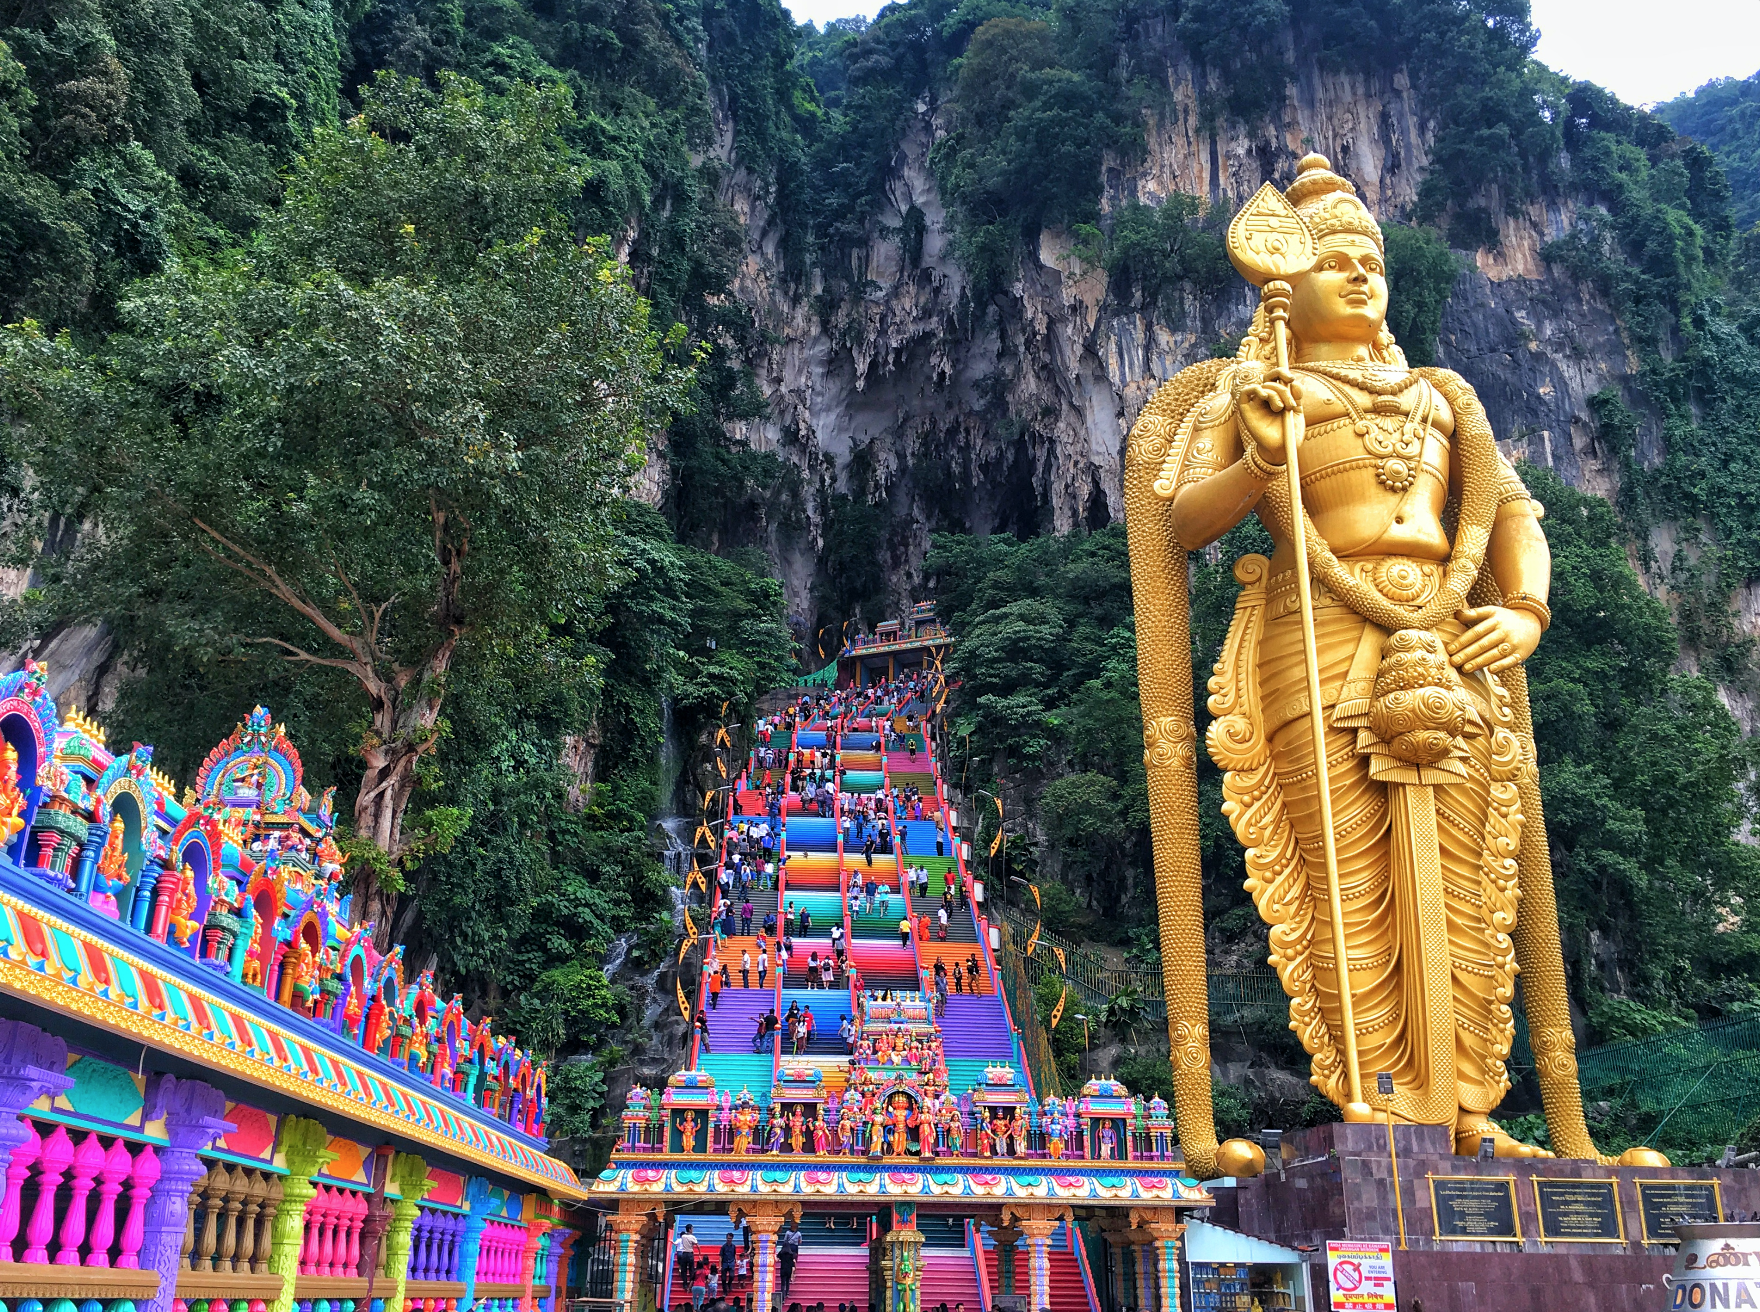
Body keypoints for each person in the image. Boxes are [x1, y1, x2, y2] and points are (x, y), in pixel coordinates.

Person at [778, 1222, 801, 1298]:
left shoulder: (781, 1253)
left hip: (782, 1269)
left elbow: (777, 1258)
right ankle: (787, 1292)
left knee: (782, 1282)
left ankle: (782, 1293)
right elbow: (793, 1262)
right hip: (788, 1270)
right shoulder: (791, 1255)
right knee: (787, 1281)